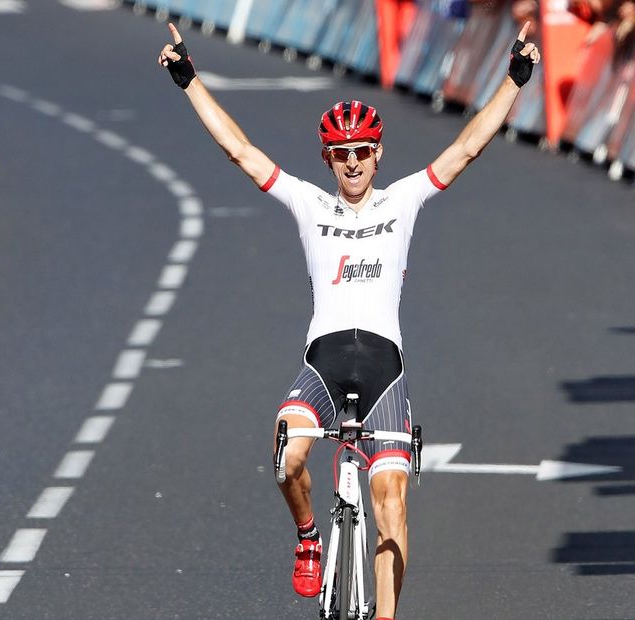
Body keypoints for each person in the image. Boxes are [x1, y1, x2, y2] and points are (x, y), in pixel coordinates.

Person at [157, 21, 541, 619]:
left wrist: (514, 80)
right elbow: (240, 150)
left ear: (378, 152)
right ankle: (310, 536)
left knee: (391, 501)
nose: (353, 163)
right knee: (286, 455)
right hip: (323, 361)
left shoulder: (404, 198)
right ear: (328, 159)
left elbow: (466, 147)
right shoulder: (311, 204)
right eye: (341, 154)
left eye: (362, 151)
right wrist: (189, 80)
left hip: (384, 367)